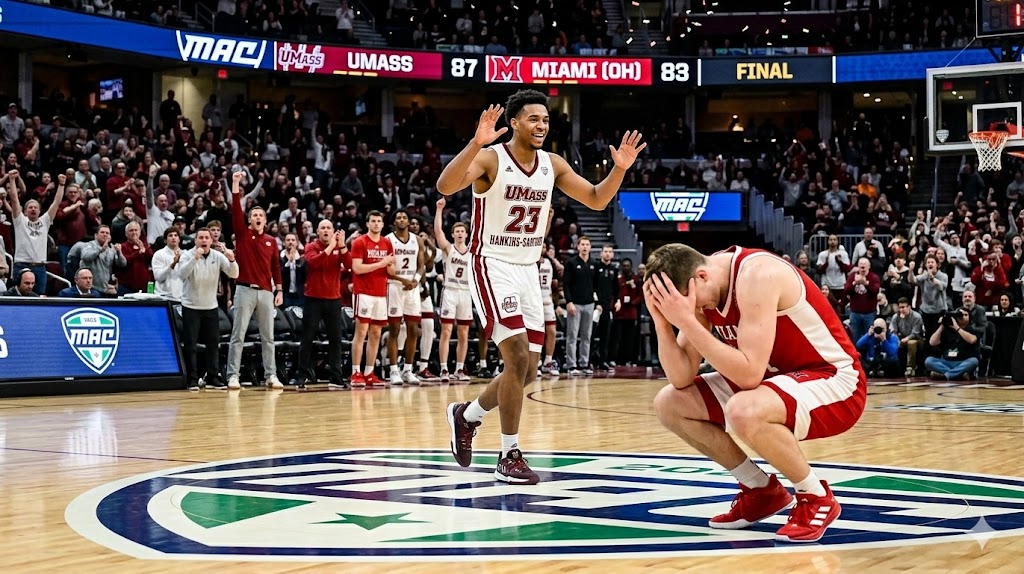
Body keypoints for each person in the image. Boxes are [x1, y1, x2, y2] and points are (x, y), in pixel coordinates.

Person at [438, 90, 645, 484]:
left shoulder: (553, 164)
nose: (541, 126)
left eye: (545, 120)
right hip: (492, 263)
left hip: (528, 269)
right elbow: (446, 186)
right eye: (533, 119)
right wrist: (475, 142)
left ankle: (467, 416)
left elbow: (598, 200)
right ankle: (508, 454)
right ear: (514, 122)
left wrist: (619, 169)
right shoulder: (491, 158)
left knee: (528, 370)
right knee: (516, 356)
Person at [643, 243, 866, 543]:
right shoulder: (703, 290)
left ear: (702, 276)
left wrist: (685, 320)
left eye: (691, 304)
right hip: (773, 379)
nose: (695, 311)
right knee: (669, 402)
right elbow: (680, 376)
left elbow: (749, 375)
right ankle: (760, 490)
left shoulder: (756, 275)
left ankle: (815, 496)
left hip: (834, 380)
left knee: (743, 408)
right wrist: (662, 323)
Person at [227, 170, 284, 390]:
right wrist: (235, 183)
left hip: (266, 293)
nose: (257, 218)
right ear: (249, 219)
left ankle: (271, 375)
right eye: (254, 215)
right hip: (244, 290)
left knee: (268, 337)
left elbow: (276, 268)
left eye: (261, 215)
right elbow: (235, 209)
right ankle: (233, 375)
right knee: (237, 335)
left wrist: (279, 290)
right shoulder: (242, 234)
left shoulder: (271, 241)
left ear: (265, 220)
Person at [177, 227, 239, 390]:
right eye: (201, 238)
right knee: (190, 345)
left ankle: (212, 376)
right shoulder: (187, 255)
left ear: (211, 241)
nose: (204, 240)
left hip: (211, 306)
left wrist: (232, 260)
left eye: (207, 238)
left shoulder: (218, 256)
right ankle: (192, 378)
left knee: (213, 343)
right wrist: (195, 258)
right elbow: (181, 274)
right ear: (195, 240)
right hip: (191, 306)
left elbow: (234, 274)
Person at [297, 220, 349, 390]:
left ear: (333, 231)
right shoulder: (311, 247)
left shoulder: (338, 247)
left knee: (336, 340)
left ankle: (336, 377)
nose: (326, 231)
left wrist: (342, 247)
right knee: (308, 339)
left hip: (333, 300)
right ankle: (301, 376)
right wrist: (331, 247)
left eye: (329, 228)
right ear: (318, 232)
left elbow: (349, 266)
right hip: (313, 299)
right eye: (323, 228)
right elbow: (315, 263)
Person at [349, 210, 395, 388]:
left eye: (379, 221)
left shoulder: (387, 243)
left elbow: (391, 271)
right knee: (360, 332)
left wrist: (391, 266)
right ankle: (355, 372)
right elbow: (357, 268)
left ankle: (369, 372)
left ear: (383, 225)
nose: (376, 224)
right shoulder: (360, 242)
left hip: (380, 293)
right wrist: (381, 264)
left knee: (376, 333)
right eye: (373, 221)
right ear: (367, 224)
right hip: (363, 292)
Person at [434, 197, 473, 382]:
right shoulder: (448, 249)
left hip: (466, 293)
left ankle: (459, 368)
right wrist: (439, 210)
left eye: (462, 231)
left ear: (466, 234)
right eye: (456, 231)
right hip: (450, 291)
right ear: (453, 234)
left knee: (463, 333)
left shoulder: (472, 253)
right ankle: (443, 368)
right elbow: (437, 231)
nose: (459, 234)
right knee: (446, 331)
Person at [8, 170, 65, 294]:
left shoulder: (45, 221)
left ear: (40, 211)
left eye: (35, 207)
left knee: (39, 298)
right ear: (25, 211)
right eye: (30, 207)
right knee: (18, 299)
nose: (33, 209)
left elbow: (56, 202)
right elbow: (14, 199)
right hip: (21, 265)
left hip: (39, 266)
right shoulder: (20, 221)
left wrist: (61, 185)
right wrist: (12, 181)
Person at [384, 209, 424, 385]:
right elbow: (385, 267)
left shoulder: (418, 240)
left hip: (412, 288)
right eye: (398, 217)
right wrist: (403, 280)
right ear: (394, 222)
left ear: (409, 222)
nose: (401, 219)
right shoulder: (388, 240)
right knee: (394, 330)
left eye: (404, 217)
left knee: (413, 330)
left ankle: (408, 369)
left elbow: (421, 266)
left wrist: (414, 281)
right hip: (394, 286)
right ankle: (393, 370)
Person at [563, 236, 597, 376]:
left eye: (587, 244)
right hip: (575, 304)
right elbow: (566, 284)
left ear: (590, 247)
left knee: (586, 336)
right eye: (582, 244)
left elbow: (597, 285)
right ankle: (571, 365)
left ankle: (584, 363)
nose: (584, 247)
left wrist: (597, 302)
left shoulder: (594, 264)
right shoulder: (571, 263)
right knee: (572, 335)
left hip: (589, 303)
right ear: (578, 247)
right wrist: (569, 302)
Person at [925, 307, 981, 381]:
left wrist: (957, 328)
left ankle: (945, 375)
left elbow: (972, 340)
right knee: (929, 361)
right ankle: (958, 375)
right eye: (961, 315)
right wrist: (942, 325)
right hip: (946, 361)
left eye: (966, 315)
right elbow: (932, 342)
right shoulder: (947, 329)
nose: (963, 317)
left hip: (962, 362)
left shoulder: (972, 329)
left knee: (974, 361)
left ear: (969, 317)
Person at [889, 297, 925, 377]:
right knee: (894, 342)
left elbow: (915, 333)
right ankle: (896, 368)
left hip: (917, 339)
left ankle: (910, 367)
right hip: (902, 338)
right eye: (900, 308)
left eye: (903, 307)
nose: (902, 310)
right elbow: (893, 330)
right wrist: (896, 339)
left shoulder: (916, 317)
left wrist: (906, 339)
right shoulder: (896, 317)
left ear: (909, 307)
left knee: (911, 343)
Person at [151, 227, 185, 302]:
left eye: (176, 235)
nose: (173, 237)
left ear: (179, 239)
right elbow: (159, 277)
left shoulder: (185, 255)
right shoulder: (159, 254)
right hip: (163, 297)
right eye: (170, 235)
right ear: (165, 240)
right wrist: (173, 264)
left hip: (182, 297)